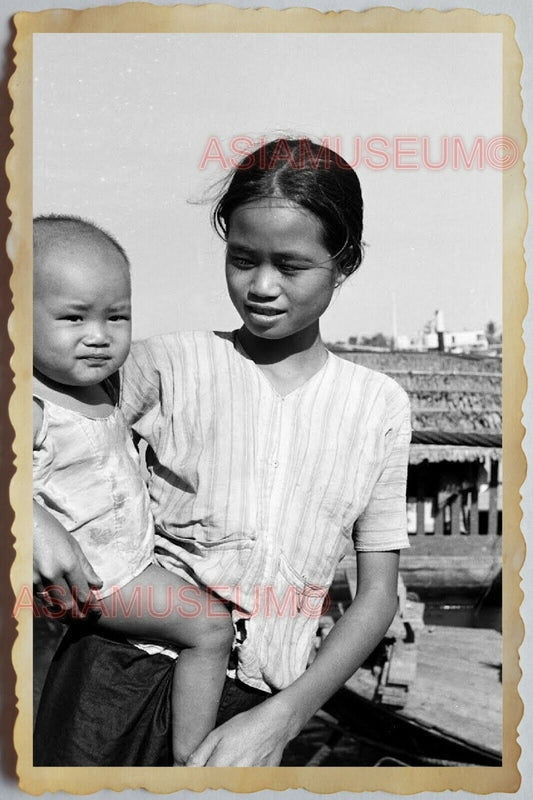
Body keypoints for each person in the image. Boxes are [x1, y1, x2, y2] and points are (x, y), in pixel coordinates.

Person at [33, 138, 411, 767]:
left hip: (258, 716)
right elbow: (34, 419)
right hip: (115, 683)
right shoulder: (162, 365)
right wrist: (26, 516)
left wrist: (284, 718)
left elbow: (377, 597)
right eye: (242, 259)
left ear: (345, 263)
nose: (261, 285)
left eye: (290, 266)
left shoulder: (379, 408)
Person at [32, 215, 234, 766]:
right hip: (98, 578)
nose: (99, 335)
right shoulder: (31, 402)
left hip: (117, 565)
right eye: (73, 318)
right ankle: (193, 758)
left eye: (116, 317)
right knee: (212, 628)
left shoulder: (98, 388)